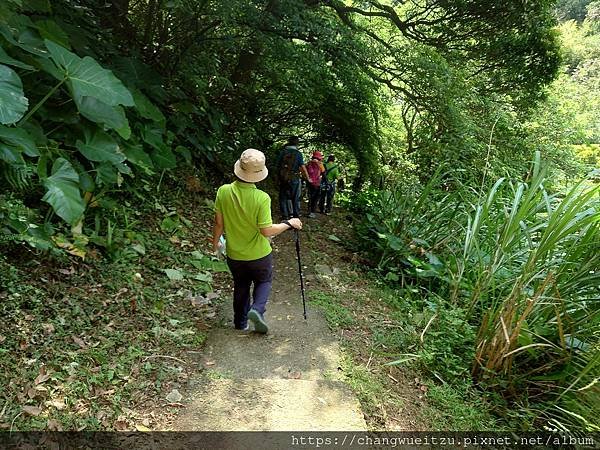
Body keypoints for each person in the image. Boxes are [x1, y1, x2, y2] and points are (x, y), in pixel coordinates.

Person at [212, 149, 302, 334]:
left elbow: (218, 223)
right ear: (259, 175)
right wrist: (288, 223)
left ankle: (240, 323)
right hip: (259, 254)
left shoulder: (223, 191)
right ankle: (257, 310)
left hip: (235, 254)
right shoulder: (261, 198)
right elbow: (266, 230)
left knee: (241, 285)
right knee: (264, 281)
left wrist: (215, 244)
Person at [276, 136, 309, 219]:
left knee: (283, 197)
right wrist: (307, 177)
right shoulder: (298, 154)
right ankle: (295, 216)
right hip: (294, 177)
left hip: (284, 177)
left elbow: (278, 165)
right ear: (297, 144)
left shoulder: (283, 152)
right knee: (295, 198)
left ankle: (285, 216)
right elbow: (302, 167)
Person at [305, 151, 325, 218]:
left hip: (310, 183)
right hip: (317, 183)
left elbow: (305, 172)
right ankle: (312, 212)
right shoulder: (320, 164)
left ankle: (309, 211)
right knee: (315, 198)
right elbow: (324, 173)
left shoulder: (309, 163)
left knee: (310, 197)